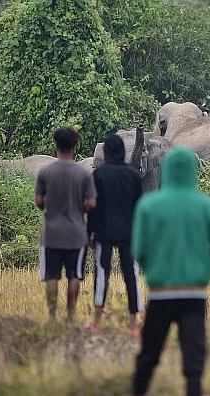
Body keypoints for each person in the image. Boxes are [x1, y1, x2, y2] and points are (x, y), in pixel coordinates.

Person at [132, 147, 210, 396]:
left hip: (159, 293)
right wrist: (204, 273)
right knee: (194, 360)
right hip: (194, 294)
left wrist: (155, 272)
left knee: (148, 355)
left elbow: (139, 251)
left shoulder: (148, 205)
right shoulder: (208, 206)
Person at [34, 127, 97, 322]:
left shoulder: (45, 171)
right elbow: (93, 202)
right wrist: (80, 210)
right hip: (77, 234)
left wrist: (49, 208)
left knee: (52, 276)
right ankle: (70, 316)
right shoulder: (83, 173)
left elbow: (38, 200)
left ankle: (52, 317)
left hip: (51, 233)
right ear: (75, 146)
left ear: (56, 145)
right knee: (74, 276)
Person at [86, 134, 143, 336]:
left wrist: (90, 233)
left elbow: (94, 208)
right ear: (123, 152)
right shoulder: (134, 175)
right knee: (132, 275)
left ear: (106, 152)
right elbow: (139, 208)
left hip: (103, 232)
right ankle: (134, 324)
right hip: (130, 232)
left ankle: (97, 322)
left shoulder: (98, 175)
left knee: (102, 274)